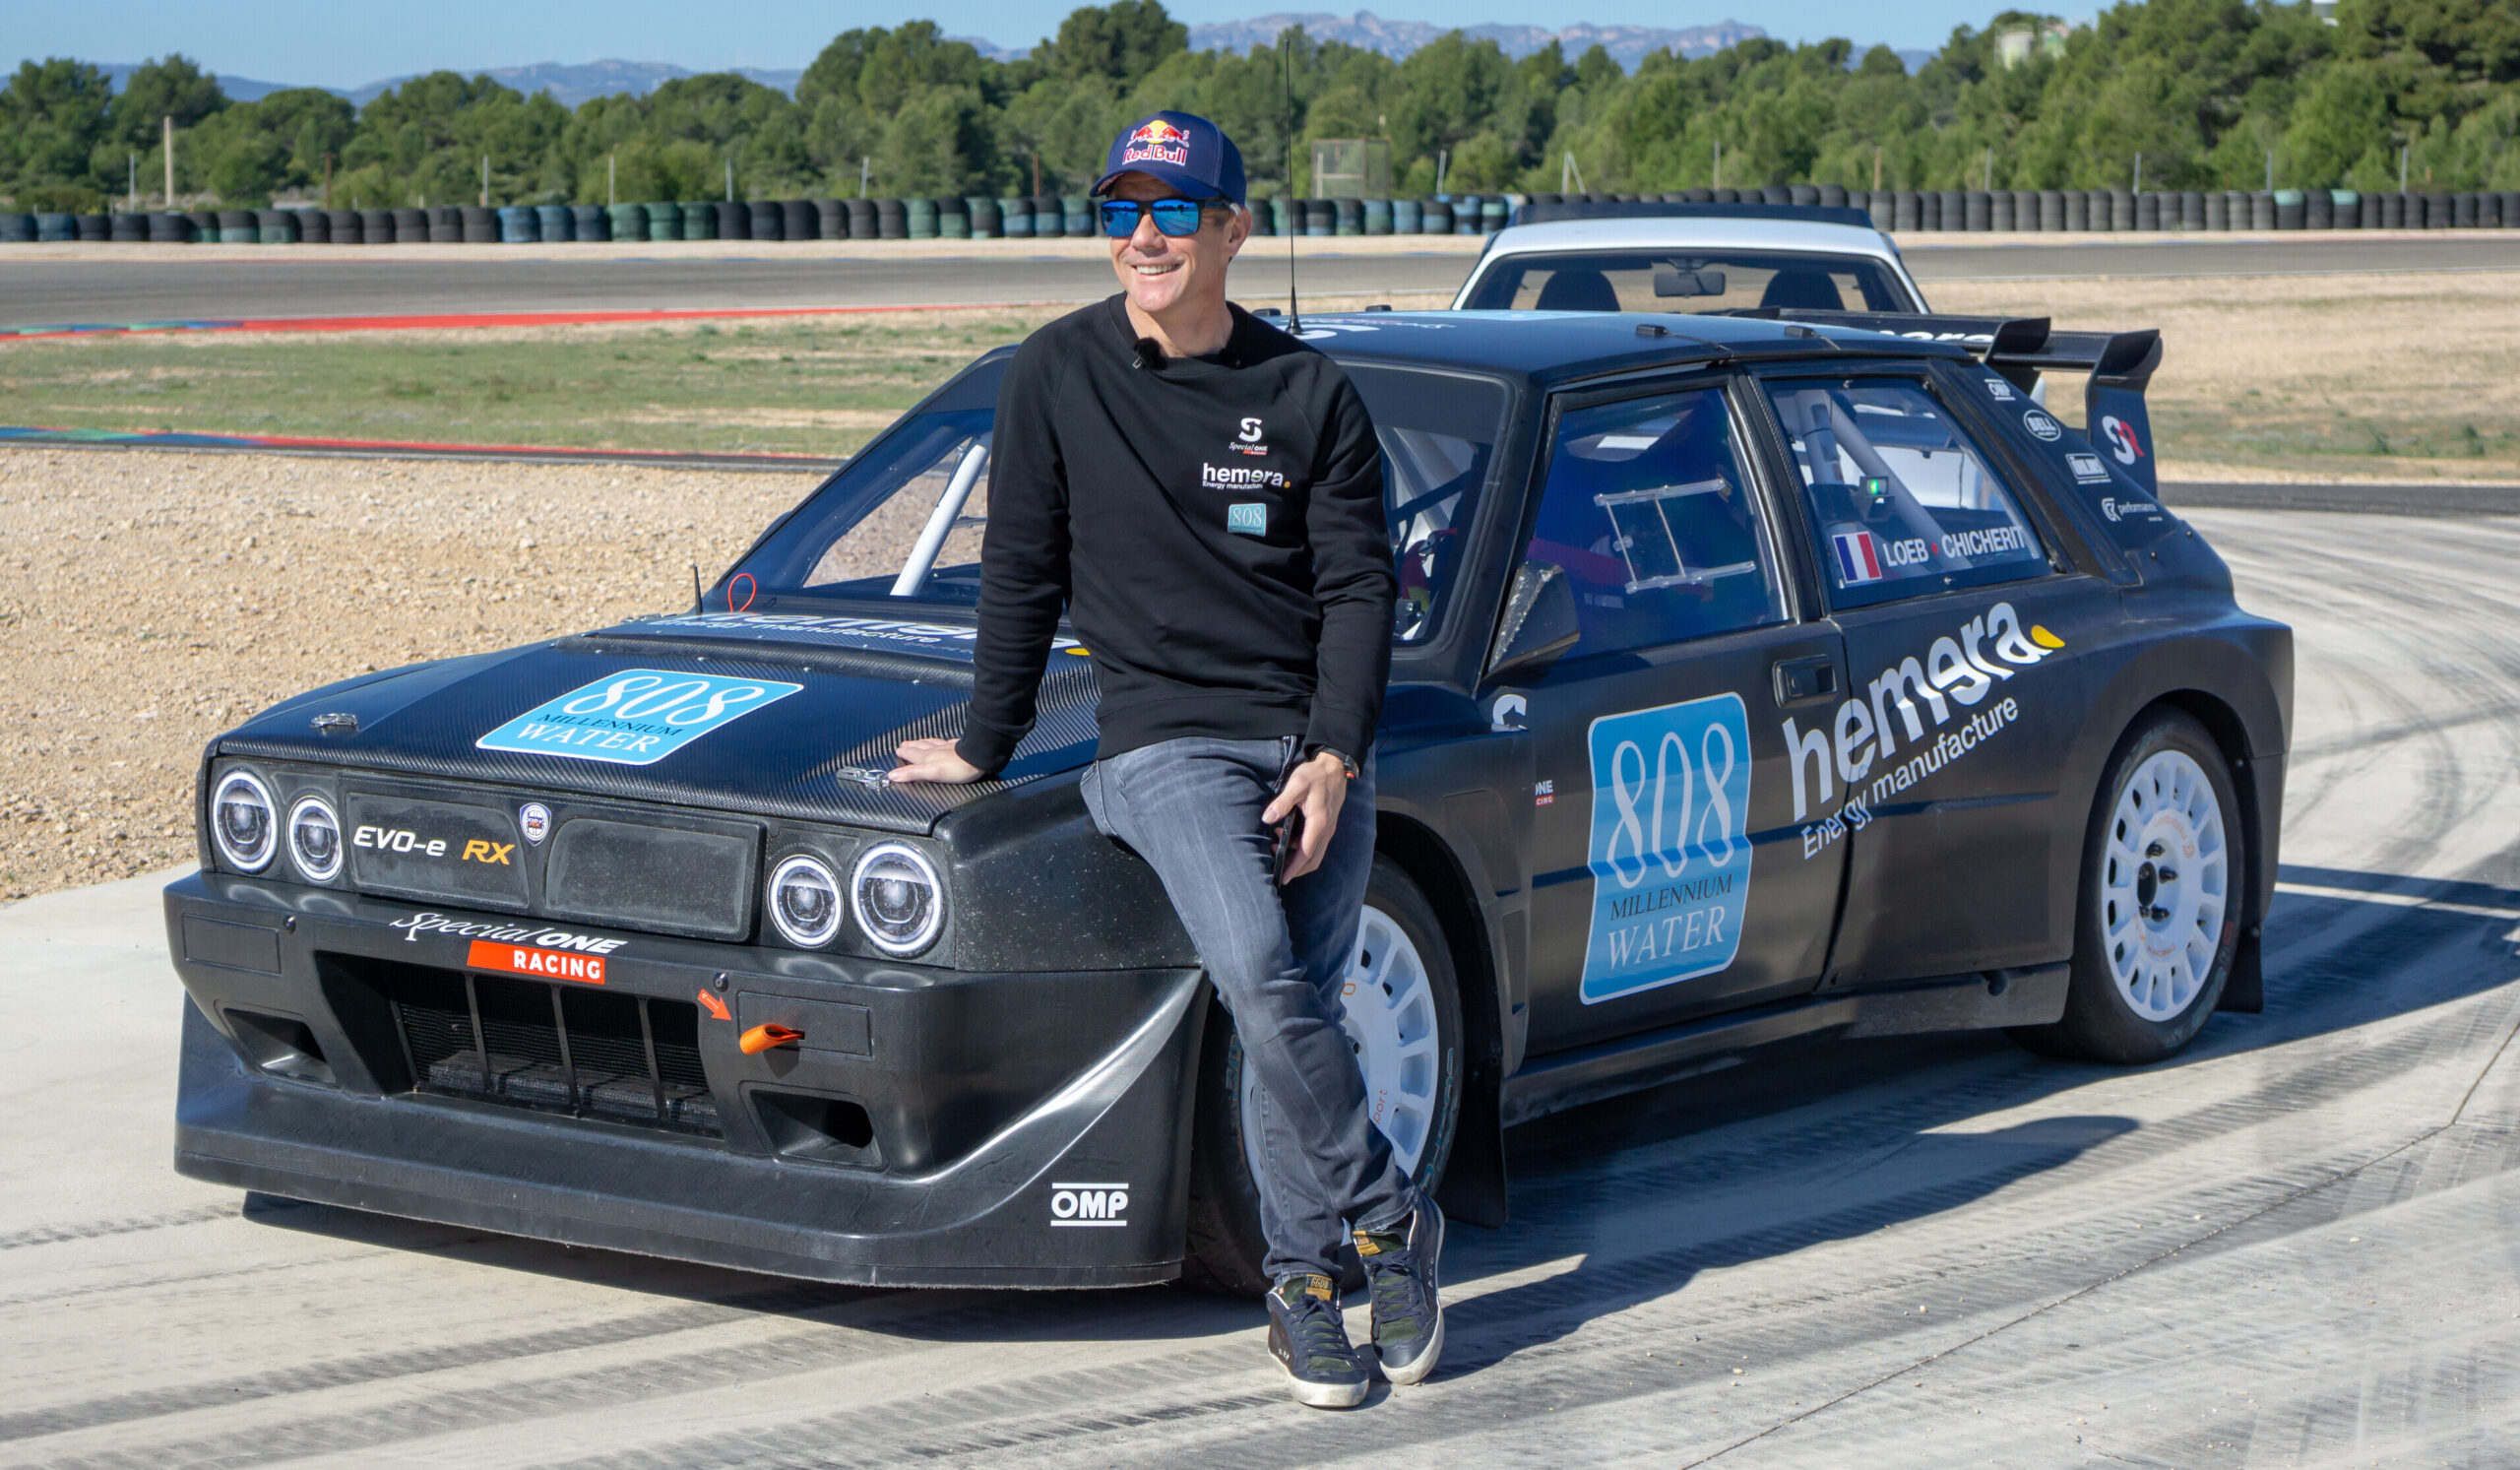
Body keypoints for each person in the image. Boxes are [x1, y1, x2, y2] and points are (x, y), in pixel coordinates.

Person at [887, 110, 1443, 1409]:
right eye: (1121, 210)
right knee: (1259, 971)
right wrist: (985, 741)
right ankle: (1390, 1213)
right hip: (1166, 744)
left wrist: (1334, 758)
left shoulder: (1311, 395)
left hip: (1307, 749)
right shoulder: (1054, 373)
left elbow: (1360, 592)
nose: (1144, 235)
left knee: (1294, 1009)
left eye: (1174, 210)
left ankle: (1303, 1290)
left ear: (1233, 229)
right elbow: (1019, 572)